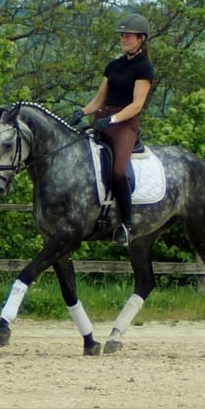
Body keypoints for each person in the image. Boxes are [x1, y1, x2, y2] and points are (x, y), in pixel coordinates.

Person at [69, 13, 155, 246]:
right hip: (103, 118)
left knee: (118, 171)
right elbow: (98, 99)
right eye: (122, 35)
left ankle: (126, 224)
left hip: (125, 123)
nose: (124, 39)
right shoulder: (114, 65)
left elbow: (136, 105)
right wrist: (82, 112)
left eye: (128, 36)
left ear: (141, 39)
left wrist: (113, 119)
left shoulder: (144, 68)